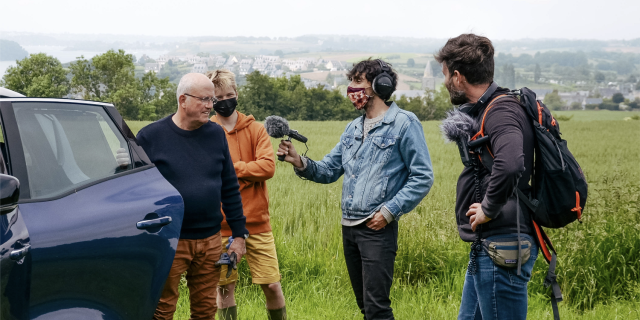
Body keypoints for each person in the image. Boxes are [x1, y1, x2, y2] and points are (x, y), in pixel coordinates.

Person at [277, 59, 434, 320]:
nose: (351, 88)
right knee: (365, 306)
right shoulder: (353, 128)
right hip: (349, 227)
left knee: (377, 308)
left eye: (358, 81)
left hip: (377, 229)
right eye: (351, 81)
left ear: (378, 85)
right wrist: (299, 161)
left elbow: (423, 176)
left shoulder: (405, 124)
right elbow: (328, 170)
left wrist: (389, 212)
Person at [435, 34, 538, 320]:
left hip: (502, 243)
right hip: (490, 244)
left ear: (458, 77)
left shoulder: (500, 111)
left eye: (445, 75)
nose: (444, 83)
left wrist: (488, 209)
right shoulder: (490, 109)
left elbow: (511, 163)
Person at [136, 73, 249, 320]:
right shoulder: (150, 137)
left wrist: (239, 235)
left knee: (205, 309)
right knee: (161, 309)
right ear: (182, 100)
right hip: (169, 240)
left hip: (210, 239)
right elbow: (134, 188)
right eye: (205, 99)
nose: (212, 105)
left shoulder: (215, 134)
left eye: (212, 99)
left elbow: (229, 186)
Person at [205, 69, 287, 320]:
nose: (225, 100)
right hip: (221, 226)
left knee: (272, 285)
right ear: (211, 100)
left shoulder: (256, 130)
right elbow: (208, 172)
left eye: (230, 94)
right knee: (224, 288)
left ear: (237, 94)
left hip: (258, 224)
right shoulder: (206, 131)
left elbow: (267, 167)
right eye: (219, 97)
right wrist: (246, 170)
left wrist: (230, 168)